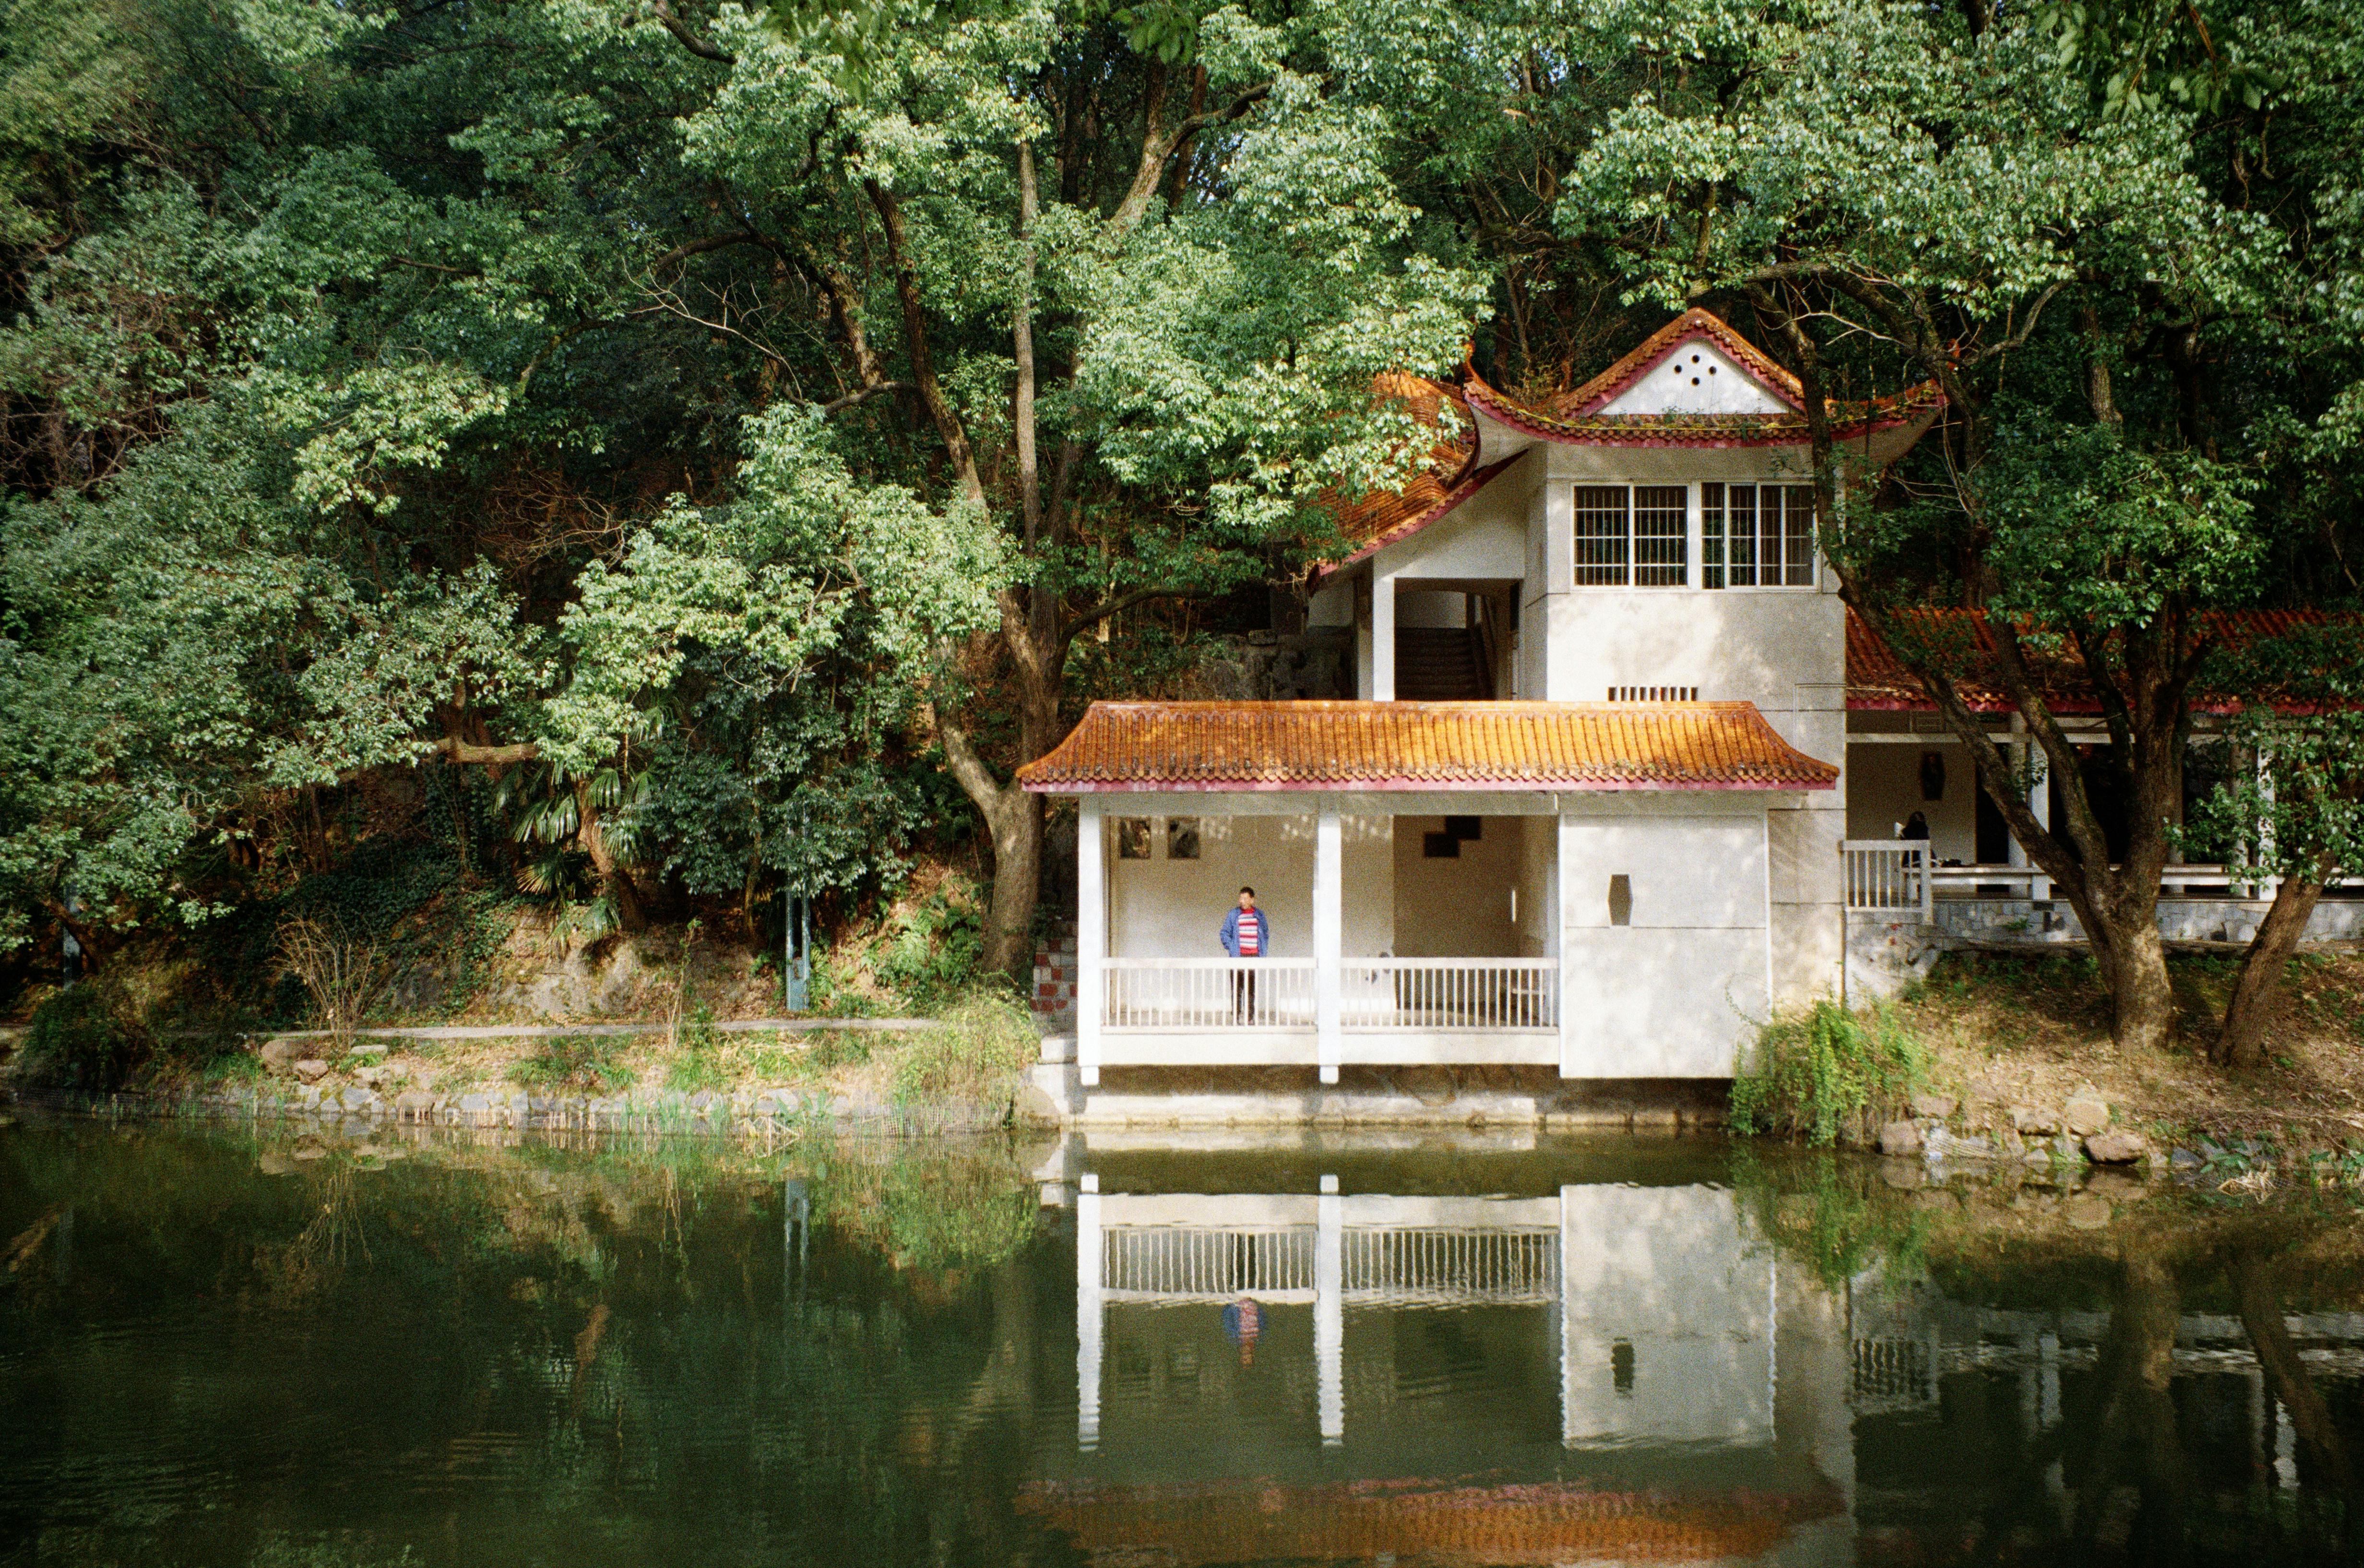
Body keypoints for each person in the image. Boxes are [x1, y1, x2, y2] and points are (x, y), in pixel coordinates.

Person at [1218, 886, 1270, 1023]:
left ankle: (1250, 1017)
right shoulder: (1234, 915)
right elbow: (1224, 933)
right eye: (1240, 898)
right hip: (1238, 957)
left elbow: (1265, 934)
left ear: (1252, 900)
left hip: (1253, 957)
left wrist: (1261, 952)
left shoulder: (1259, 915)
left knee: (1250, 989)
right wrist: (1232, 948)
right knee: (1236, 988)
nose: (1242, 901)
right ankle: (1236, 1017)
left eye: (1245, 898)